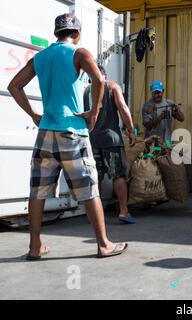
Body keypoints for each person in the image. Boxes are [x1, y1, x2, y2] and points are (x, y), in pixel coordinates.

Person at [7, 13, 127, 259]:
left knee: (37, 192)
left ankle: (34, 247)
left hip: (45, 133)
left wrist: (33, 114)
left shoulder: (40, 57)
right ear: (77, 33)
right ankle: (104, 244)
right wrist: (94, 112)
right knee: (89, 188)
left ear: (56, 33)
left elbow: (14, 86)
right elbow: (99, 80)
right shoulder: (79, 53)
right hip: (72, 131)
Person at [84, 65, 137, 224]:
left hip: (92, 140)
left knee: (95, 177)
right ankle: (123, 211)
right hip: (111, 140)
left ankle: (95, 215)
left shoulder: (86, 92)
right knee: (118, 175)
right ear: (104, 75)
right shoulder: (112, 86)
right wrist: (131, 130)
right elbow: (122, 107)